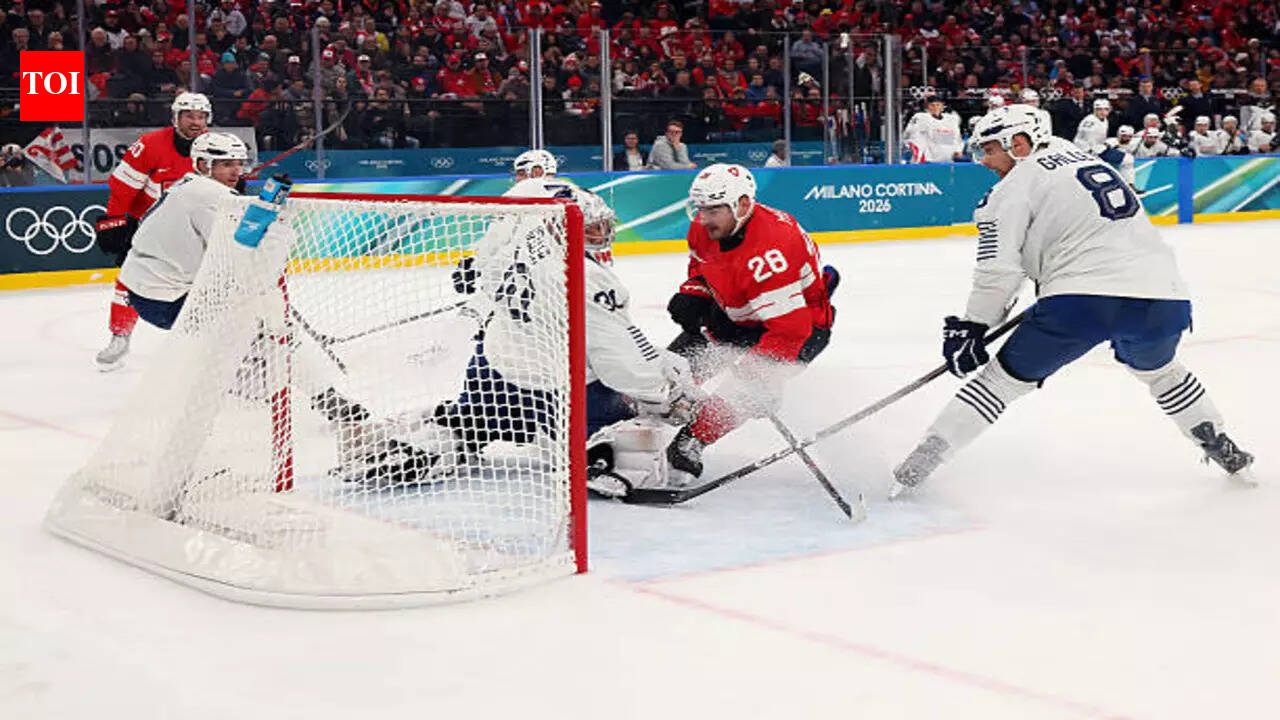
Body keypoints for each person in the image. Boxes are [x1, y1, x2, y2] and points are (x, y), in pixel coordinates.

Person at [889, 104, 1253, 500]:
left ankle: (918, 464)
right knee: (1163, 372)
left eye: (990, 150)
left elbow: (999, 270)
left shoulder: (1010, 190)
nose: (984, 161)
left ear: (1020, 143)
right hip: (1162, 297)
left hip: (1080, 302)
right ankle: (1217, 440)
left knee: (1000, 383)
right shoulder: (1080, 156)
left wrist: (973, 326)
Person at [316, 179, 699, 490]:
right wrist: (666, 386)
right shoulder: (588, 278)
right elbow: (621, 363)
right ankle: (602, 460)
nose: (602, 236)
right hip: (560, 392)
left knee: (470, 420)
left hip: (494, 373)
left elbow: (483, 276)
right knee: (637, 437)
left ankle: (431, 442)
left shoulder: (514, 246)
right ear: (565, 227)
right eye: (593, 229)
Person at [663, 164, 838, 480]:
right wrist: (695, 293)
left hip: (801, 326)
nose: (704, 218)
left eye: (714, 209)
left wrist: (758, 378)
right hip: (739, 314)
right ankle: (633, 430)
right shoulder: (704, 229)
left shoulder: (772, 250)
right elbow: (702, 267)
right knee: (669, 376)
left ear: (743, 205)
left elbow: (789, 331)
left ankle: (693, 440)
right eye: (701, 208)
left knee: (744, 391)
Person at [95, 92, 212, 371]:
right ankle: (120, 337)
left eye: (201, 116)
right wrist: (116, 223)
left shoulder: (213, 146)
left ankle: (209, 346)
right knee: (130, 278)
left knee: (207, 285)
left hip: (192, 230)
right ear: (176, 117)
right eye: (189, 116)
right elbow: (122, 189)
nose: (195, 122)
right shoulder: (150, 145)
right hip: (147, 225)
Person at [115, 133, 255, 331]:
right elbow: (236, 247)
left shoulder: (186, 183)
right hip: (167, 300)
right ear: (203, 165)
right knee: (250, 313)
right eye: (227, 164)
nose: (236, 172)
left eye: (239, 164)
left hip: (141, 291)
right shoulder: (212, 194)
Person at [903, 94, 963, 162]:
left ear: (942, 106)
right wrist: (919, 154)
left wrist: (958, 150)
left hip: (948, 160)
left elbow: (957, 137)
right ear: (927, 107)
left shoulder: (951, 119)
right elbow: (909, 135)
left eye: (938, 105)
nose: (935, 108)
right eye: (932, 105)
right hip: (929, 161)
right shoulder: (921, 118)